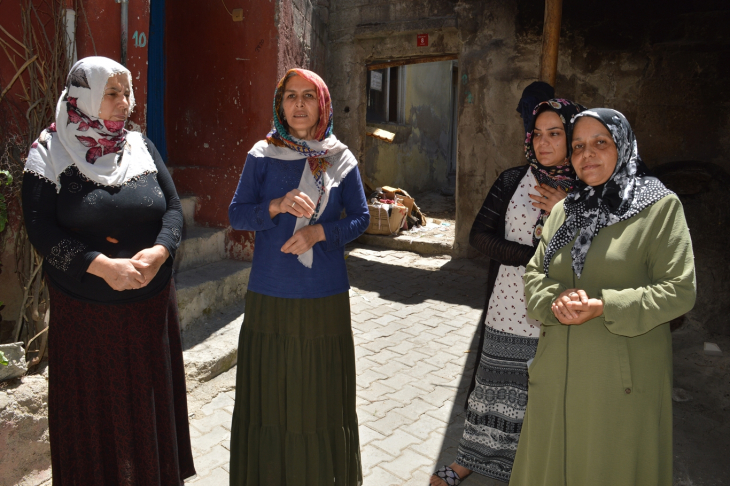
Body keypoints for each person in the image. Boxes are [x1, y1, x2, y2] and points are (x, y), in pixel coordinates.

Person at [22, 56, 195, 484]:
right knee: (95, 419)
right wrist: (99, 266)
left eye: (127, 93)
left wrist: (159, 252)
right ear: (84, 97)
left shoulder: (139, 145)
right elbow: (41, 231)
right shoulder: (49, 153)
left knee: (147, 414)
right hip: (87, 322)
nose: (126, 104)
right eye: (112, 94)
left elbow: (173, 210)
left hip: (148, 313)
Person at [510, 109, 696, 485]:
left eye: (600, 143)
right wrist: (554, 300)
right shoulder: (567, 209)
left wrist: (604, 306)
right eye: (578, 146)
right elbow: (535, 274)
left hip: (617, 381)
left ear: (622, 146)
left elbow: (679, 290)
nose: (586, 154)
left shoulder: (659, 207)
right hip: (557, 374)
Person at [430, 99, 585, 486]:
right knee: (493, 386)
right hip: (509, 303)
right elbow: (479, 236)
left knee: (545, 391)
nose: (544, 143)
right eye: (538, 134)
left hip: (560, 310)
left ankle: (533, 468)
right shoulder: (513, 180)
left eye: (556, 134)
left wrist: (566, 209)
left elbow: (596, 253)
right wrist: (530, 256)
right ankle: (471, 459)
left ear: (572, 138)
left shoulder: (589, 188)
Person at [228, 68, 369, 486]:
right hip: (270, 291)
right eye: (291, 96)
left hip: (323, 293)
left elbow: (361, 218)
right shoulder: (262, 154)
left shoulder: (340, 157)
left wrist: (320, 231)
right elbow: (237, 214)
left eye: (309, 96)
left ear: (322, 103)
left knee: (318, 396)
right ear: (280, 104)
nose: (300, 105)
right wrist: (275, 206)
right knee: (271, 394)